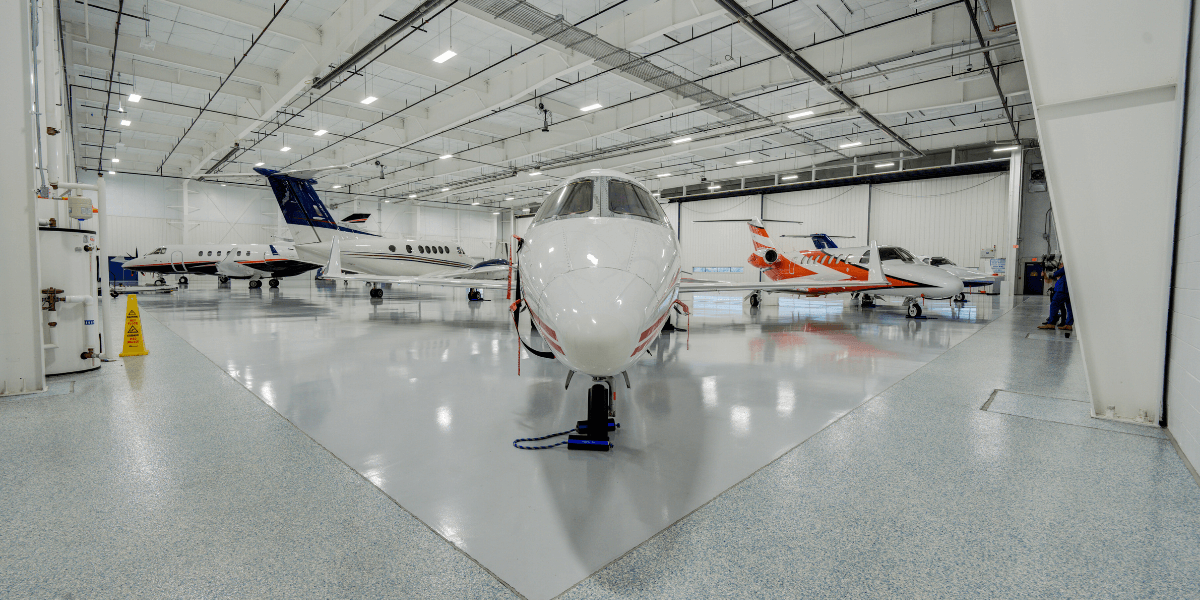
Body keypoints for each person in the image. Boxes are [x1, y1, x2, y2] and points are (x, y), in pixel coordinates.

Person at [1038, 263, 1073, 331]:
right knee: (1069, 308)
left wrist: (1054, 273)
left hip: (1062, 289)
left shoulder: (1069, 264)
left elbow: (1058, 273)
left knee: (1054, 305)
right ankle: (1068, 324)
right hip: (1070, 289)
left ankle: (1051, 323)